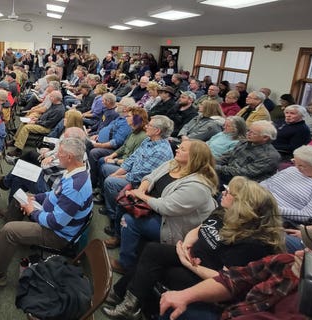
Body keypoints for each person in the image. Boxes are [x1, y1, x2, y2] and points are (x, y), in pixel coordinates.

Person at [105, 176, 284, 319]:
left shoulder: (252, 243)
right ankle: (123, 296)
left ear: (242, 205)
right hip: (193, 257)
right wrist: (187, 243)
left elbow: (227, 281)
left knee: (162, 270)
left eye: (230, 192)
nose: (224, 192)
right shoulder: (224, 212)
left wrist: (189, 263)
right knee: (152, 251)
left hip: (208, 278)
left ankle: (130, 303)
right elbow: (200, 229)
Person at [0, 137, 93, 288]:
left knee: (10, 230)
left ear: (69, 157)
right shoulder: (74, 172)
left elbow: (55, 222)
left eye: (60, 153)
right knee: (21, 197)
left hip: (58, 235)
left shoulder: (75, 187)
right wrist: (35, 197)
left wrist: (32, 211)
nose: (56, 155)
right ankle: (7, 232)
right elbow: (53, 194)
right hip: (54, 218)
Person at [158, 226, 312, 320]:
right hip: (231, 312)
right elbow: (233, 279)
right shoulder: (286, 261)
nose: (299, 253)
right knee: (170, 305)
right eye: (306, 248)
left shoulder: (309, 306)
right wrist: (186, 295)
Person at [111, 140, 218, 274]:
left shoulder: (198, 186)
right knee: (123, 203)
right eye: (179, 147)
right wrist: (142, 190)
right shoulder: (172, 164)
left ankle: (126, 264)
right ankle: (118, 238)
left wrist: (141, 196)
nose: (177, 149)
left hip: (171, 224)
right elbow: (150, 177)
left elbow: (166, 207)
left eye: (183, 149)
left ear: (194, 157)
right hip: (153, 207)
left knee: (129, 220)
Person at [101, 115, 174, 249]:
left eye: (150, 125)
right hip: (133, 175)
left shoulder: (161, 151)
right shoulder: (148, 140)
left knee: (110, 182)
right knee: (106, 169)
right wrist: (117, 173)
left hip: (142, 185)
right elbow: (132, 159)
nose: (146, 126)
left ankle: (116, 227)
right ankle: (112, 212)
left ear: (157, 131)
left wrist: (119, 177)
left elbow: (142, 175)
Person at [261, 145, 312, 224]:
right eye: (294, 162)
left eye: (301, 165)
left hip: (275, 215)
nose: (296, 167)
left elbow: (308, 216)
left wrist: (271, 207)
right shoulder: (292, 170)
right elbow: (267, 183)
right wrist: (254, 194)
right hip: (259, 201)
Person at [215, 120, 280, 185]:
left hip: (243, 185)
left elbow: (243, 173)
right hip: (226, 174)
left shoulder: (269, 157)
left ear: (265, 137)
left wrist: (216, 167)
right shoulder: (244, 142)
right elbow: (227, 156)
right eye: (248, 131)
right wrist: (211, 162)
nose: (248, 134)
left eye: (253, 133)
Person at [7, 91, 65, 157]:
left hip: (47, 128)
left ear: (55, 98)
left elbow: (49, 124)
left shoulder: (58, 110)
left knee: (26, 128)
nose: (49, 97)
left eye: (51, 96)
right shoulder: (54, 104)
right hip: (42, 122)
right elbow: (46, 116)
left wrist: (36, 122)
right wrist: (37, 119)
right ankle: (15, 140)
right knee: (25, 122)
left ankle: (18, 150)